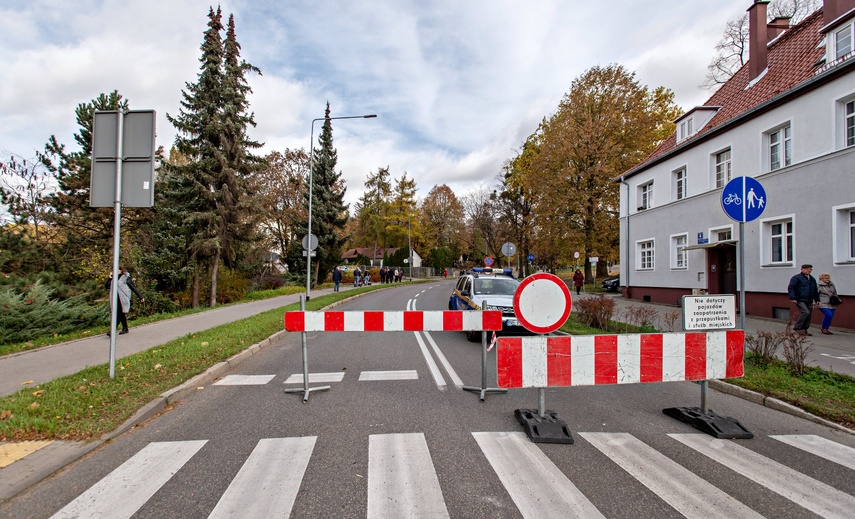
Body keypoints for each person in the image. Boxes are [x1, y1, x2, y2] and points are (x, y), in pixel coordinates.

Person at [104, 266, 144, 336]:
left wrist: (140, 296)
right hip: (115, 298)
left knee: (118, 314)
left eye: (116, 270)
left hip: (123, 298)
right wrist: (109, 278)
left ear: (120, 270)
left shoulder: (126, 277)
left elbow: (132, 287)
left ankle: (112, 331)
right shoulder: (113, 278)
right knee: (121, 314)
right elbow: (107, 286)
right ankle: (125, 328)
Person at [787, 264, 820, 336]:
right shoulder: (796, 278)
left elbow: (815, 290)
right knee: (806, 312)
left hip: (809, 299)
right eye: (807, 269)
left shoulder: (812, 279)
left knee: (809, 315)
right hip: (799, 299)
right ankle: (798, 327)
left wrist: (817, 299)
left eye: (810, 269)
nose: (808, 270)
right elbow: (791, 288)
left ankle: (804, 329)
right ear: (802, 269)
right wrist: (793, 298)